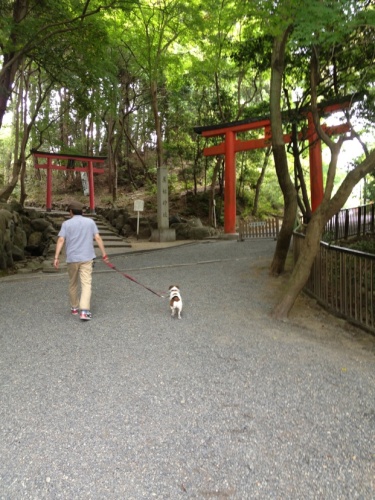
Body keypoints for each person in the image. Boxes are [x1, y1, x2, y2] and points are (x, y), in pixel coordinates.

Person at [54, 201, 109, 320]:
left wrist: (56, 257)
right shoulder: (90, 222)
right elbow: (98, 237)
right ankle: (84, 311)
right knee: (86, 284)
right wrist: (104, 254)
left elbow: (61, 240)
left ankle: (74, 307)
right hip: (87, 257)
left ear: (71, 212)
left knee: (73, 283)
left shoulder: (66, 224)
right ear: (82, 212)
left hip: (72, 258)